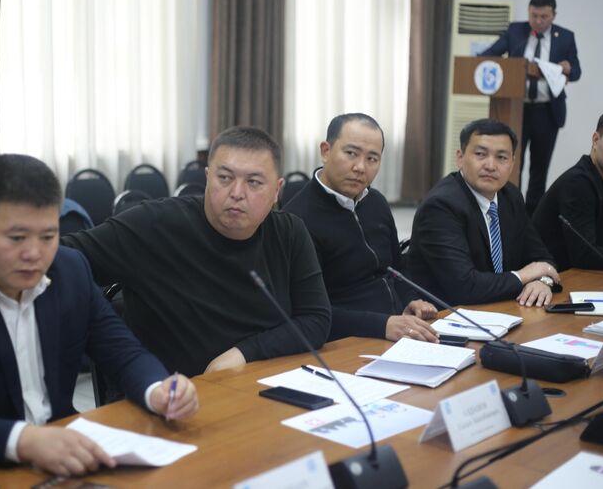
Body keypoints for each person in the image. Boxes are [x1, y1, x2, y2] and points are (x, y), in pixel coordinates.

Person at [0, 155, 198, 475]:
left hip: (57, 455)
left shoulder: (70, 270)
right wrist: (23, 440)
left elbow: (123, 351)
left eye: (48, 236)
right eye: (17, 238)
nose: (34, 254)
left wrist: (158, 390)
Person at [62, 126, 331, 377]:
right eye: (224, 178)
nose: (237, 193)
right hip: (172, 394)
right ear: (207, 178)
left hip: (258, 384)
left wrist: (244, 353)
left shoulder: (289, 232)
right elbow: (61, 258)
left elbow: (315, 319)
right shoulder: (155, 225)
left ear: (277, 191)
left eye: (254, 182)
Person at [284, 113, 438, 343]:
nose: (360, 167)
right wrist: (383, 325)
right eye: (351, 153)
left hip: (398, 329)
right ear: (326, 151)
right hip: (348, 342)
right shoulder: (296, 219)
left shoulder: (376, 202)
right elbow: (308, 312)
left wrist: (411, 299)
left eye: (372, 159)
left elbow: (396, 268)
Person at [408, 118, 560, 307]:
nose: (490, 165)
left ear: (512, 163)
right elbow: (465, 288)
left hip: (503, 308)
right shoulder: (441, 206)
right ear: (460, 158)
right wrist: (524, 276)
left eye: (501, 157)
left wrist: (542, 281)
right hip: (448, 315)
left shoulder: (510, 196)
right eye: (480, 154)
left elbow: (542, 259)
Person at [480, 0, 581, 215]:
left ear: (553, 15)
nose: (538, 21)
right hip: (515, 110)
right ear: (529, 12)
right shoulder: (516, 31)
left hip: (547, 111)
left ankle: (532, 219)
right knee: (510, 163)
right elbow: (488, 54)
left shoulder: (565, 37)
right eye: (534, 15)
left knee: (539, 169)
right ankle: (507, 212)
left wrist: (569, 68)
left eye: (543, 16)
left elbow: (576, 72)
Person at [532, 108, 603, 271]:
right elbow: (584, 256)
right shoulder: (577, 183)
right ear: (596, 140)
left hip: (589, 277)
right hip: (550, 278)